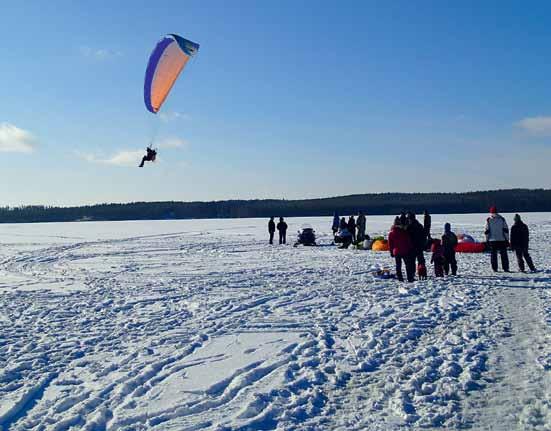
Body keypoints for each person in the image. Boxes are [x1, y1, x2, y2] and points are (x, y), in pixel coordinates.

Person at [388, 216, 415, 282]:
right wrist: (411, 248)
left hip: (396, 251)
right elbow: (408, 241)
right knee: (407, 265)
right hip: (405, 251)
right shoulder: (403, 232)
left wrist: (391, 252)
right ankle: (410, 278)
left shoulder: (391, 233)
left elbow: (390, 244)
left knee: (398, 265)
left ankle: (400, 278)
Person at [484, 206, 510, 272]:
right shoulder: (502, 219)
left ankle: (494, 268)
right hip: (502, 240)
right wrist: (507, 239)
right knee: (504, 255)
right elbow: (506, 230)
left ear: (491, 212)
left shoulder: (488, 220)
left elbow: (487, 231)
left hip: (492, 240)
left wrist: (487, 240)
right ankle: (506, 268)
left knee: (493, 255)